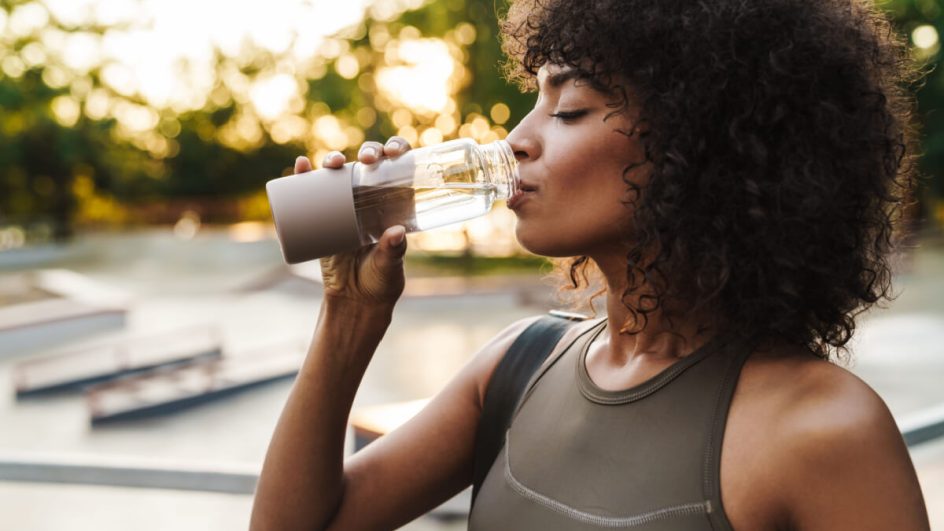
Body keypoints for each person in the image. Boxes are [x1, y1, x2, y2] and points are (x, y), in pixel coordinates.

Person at [250, 0, 932, 529]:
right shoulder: (517, 368)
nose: (517, 138)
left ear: (703, 144)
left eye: (570, 107)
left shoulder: (826, 431)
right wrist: (351, 312)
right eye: (536, 99)